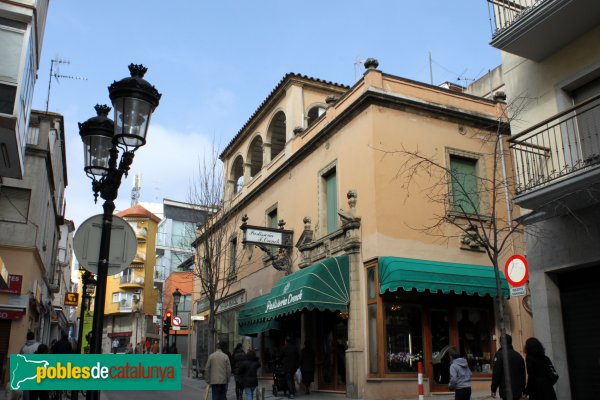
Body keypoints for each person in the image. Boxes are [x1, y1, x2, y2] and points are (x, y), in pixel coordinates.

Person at [491, 334, 526, 400]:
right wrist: (523, 390)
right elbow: (522, 375)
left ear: (501, 343)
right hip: (517, 391)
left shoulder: (499, 355)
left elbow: (496, 373)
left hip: (505, 391)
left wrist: (493, 389)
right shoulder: (518, 356)